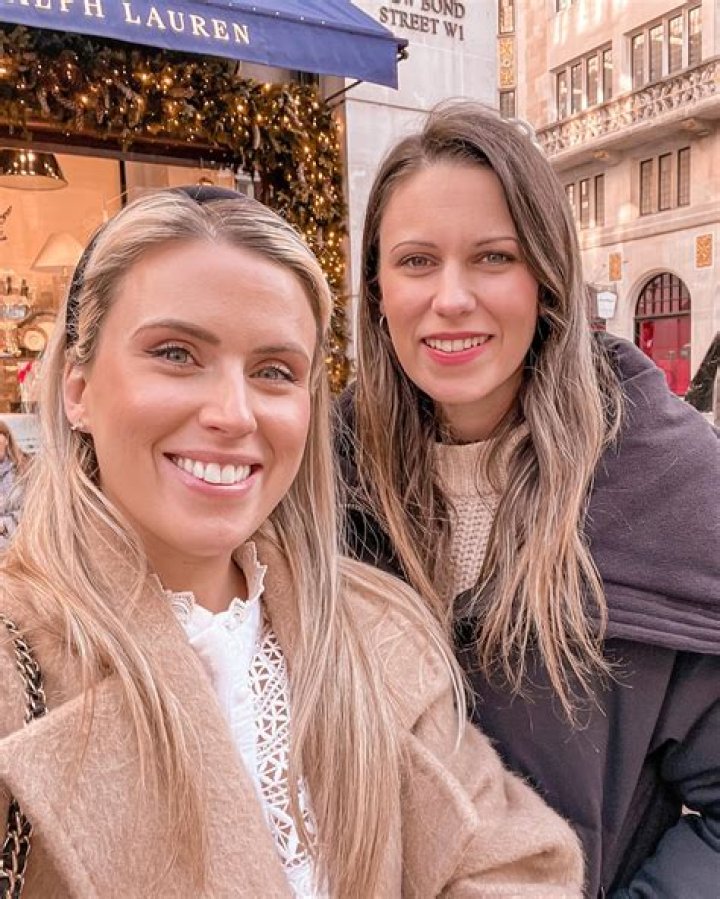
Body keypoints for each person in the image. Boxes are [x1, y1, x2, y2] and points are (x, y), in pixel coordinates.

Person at [0, 186, 583, 898]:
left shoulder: (375, 625)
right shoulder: (18, 657)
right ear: (78, 389)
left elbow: (516, 865)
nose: (233, 413)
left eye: (274, 371)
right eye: (176, 354)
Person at [337, 101, 720, 899]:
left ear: (545, 279)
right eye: (416, 261)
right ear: (377, 289)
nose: (451, 297)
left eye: (492, 257)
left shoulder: (668, 483)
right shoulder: (322, 480)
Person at [0, 420, 27, 551]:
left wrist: (4, 524)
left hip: (22, 545)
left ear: (6, 439)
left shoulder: (26, 468)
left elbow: (35, 510)